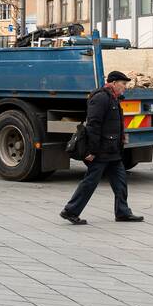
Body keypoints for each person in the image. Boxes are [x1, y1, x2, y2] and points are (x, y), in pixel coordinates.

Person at [60, 71, 143, 225]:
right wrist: (91, 151)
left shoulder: (114, 98)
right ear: (113, 83)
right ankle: (70, 211)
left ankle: (123, 212)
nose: (125, 87)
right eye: (123, 84)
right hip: (101, 151)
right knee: (90, 182)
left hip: (113, 151)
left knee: (120, 182)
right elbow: (93, 125)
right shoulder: (100, 98)